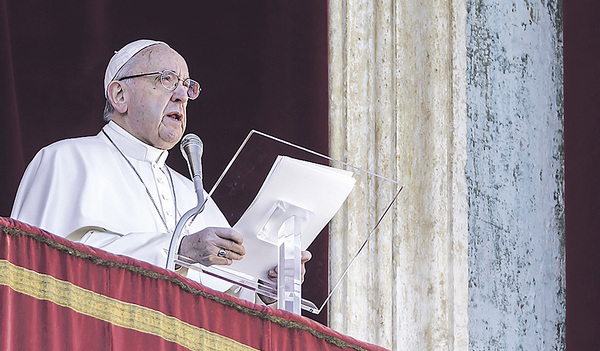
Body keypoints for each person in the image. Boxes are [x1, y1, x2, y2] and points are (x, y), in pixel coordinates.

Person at [11, 39, 311, 304]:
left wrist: (263, 287)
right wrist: (178, 249)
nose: (181, 94)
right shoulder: (66, 160)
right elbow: (40, 268)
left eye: (186, 85)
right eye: (166, 80)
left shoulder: (194, 195)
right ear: (119, 95)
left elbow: (225, 297)